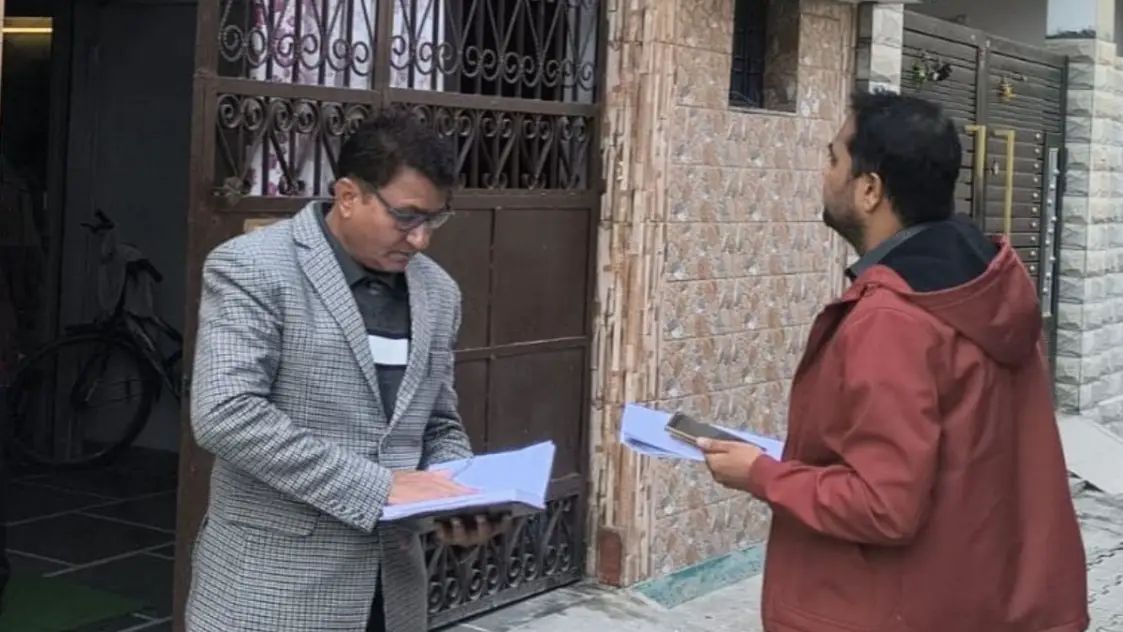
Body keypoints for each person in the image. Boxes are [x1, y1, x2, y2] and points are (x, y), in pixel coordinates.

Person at [698, 92, 1089, 632]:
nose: (823, 173)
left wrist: (760, 474)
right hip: (976, 599)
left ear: (870, 190)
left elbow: (883, 505)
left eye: (833, 157)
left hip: (893, 608)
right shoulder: (982, 282)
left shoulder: (893, 318)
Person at [186, 110, 504, 632]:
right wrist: (380, 489)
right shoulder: (252, 266)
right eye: (407, 217)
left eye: (435, 220)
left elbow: (437, 422)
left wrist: (460, 495)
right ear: (349, 195)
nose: (420, 239)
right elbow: (226, 413)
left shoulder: (438, 292)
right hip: (273, 591)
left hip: (392, 593)